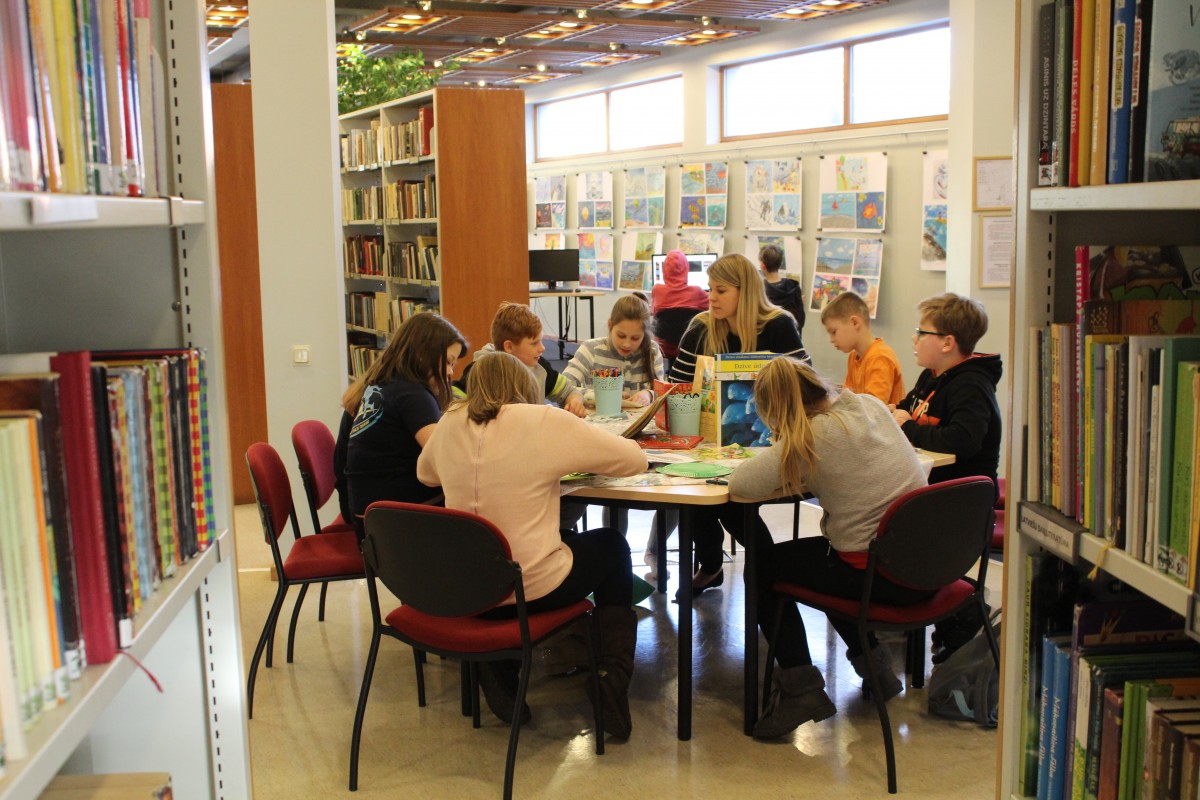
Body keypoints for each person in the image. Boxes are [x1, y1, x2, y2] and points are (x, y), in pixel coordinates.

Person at [416, 352, 648, 738]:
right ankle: (610, 675)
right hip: (533, 588)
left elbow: (425, 474)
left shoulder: (451, 421)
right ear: (526, 384)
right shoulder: (543, 421)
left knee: (553, 541)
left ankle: (500, 666)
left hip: (470, 588)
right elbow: (633, 460)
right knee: (611, 545)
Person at [727, 357, 930, 739]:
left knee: (764, 567)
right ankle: (877, 670)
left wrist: (782, 444)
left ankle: (801, 689)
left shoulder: (811, 437)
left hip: (880, 576)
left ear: (778, 409)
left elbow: (741, 483)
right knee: (826, 556)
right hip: (925, 564)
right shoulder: (868, 404)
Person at [667, 253, 808, 596]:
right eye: (710, 289)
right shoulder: (701, 328)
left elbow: (807, 388)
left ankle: (753, 571)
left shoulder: (778, 325)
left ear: (745, 292)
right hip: (708, 445)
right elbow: (676, 389)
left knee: (731, 500)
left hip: (767, 444)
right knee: (693, 489)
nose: (711, 298)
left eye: (721, 290)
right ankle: (725, 566)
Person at [891, 292, 1003, 662]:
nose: (914, 338)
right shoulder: (931, 376)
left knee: (888, 534)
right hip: (931, 492)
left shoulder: (971, 385)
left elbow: (963, 440)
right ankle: (934, 612)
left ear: (947, 343)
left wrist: (908, 427)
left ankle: (960, 613)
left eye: (921, 332)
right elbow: (905, 410)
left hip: (958, 503)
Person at [333, 312, 467, 540]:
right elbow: (444, 459)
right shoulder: (412, 393)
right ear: (423, 353)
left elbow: (340, 462)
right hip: (391, 523)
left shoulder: (374, 385)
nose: (450, 372)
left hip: (364, 513)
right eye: (448, 362)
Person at [454, 301, 586, 416]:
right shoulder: (480, 370)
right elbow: (454, 402)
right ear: (509, 347)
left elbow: (568, 391)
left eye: (540, 341)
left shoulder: (539, 367)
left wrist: (575, 401)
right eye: (534, 343)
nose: (542, 348)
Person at [562, 293, 666, 408]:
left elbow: (662, 391)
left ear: (644, 334)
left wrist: (649, 394)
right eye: (621, 335)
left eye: (635, 338)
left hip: (640, 418)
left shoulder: (652, 350)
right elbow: (565, 386)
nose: (627, 344)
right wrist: (602, 395)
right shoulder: (591, 349)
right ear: (610, 325)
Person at [820, 290, 904, 405]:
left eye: (833, 332)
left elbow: (873, 409)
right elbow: (847, 399)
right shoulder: (854, 356)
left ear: (855, 323)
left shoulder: (880, 357)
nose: (831, 340)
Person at [650, 250, 709, 372]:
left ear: (664, 270)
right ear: (686, 269)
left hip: (664, 348)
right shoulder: (697, 293)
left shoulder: (657, 290)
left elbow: (654, 311)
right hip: (690, 347)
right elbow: (710, 307)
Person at [759, 244, 805, 331]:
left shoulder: (759, 290)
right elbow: (801, 322)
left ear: (762, 265)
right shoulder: (794, 287)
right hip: (791, 336)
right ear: (780, 264)